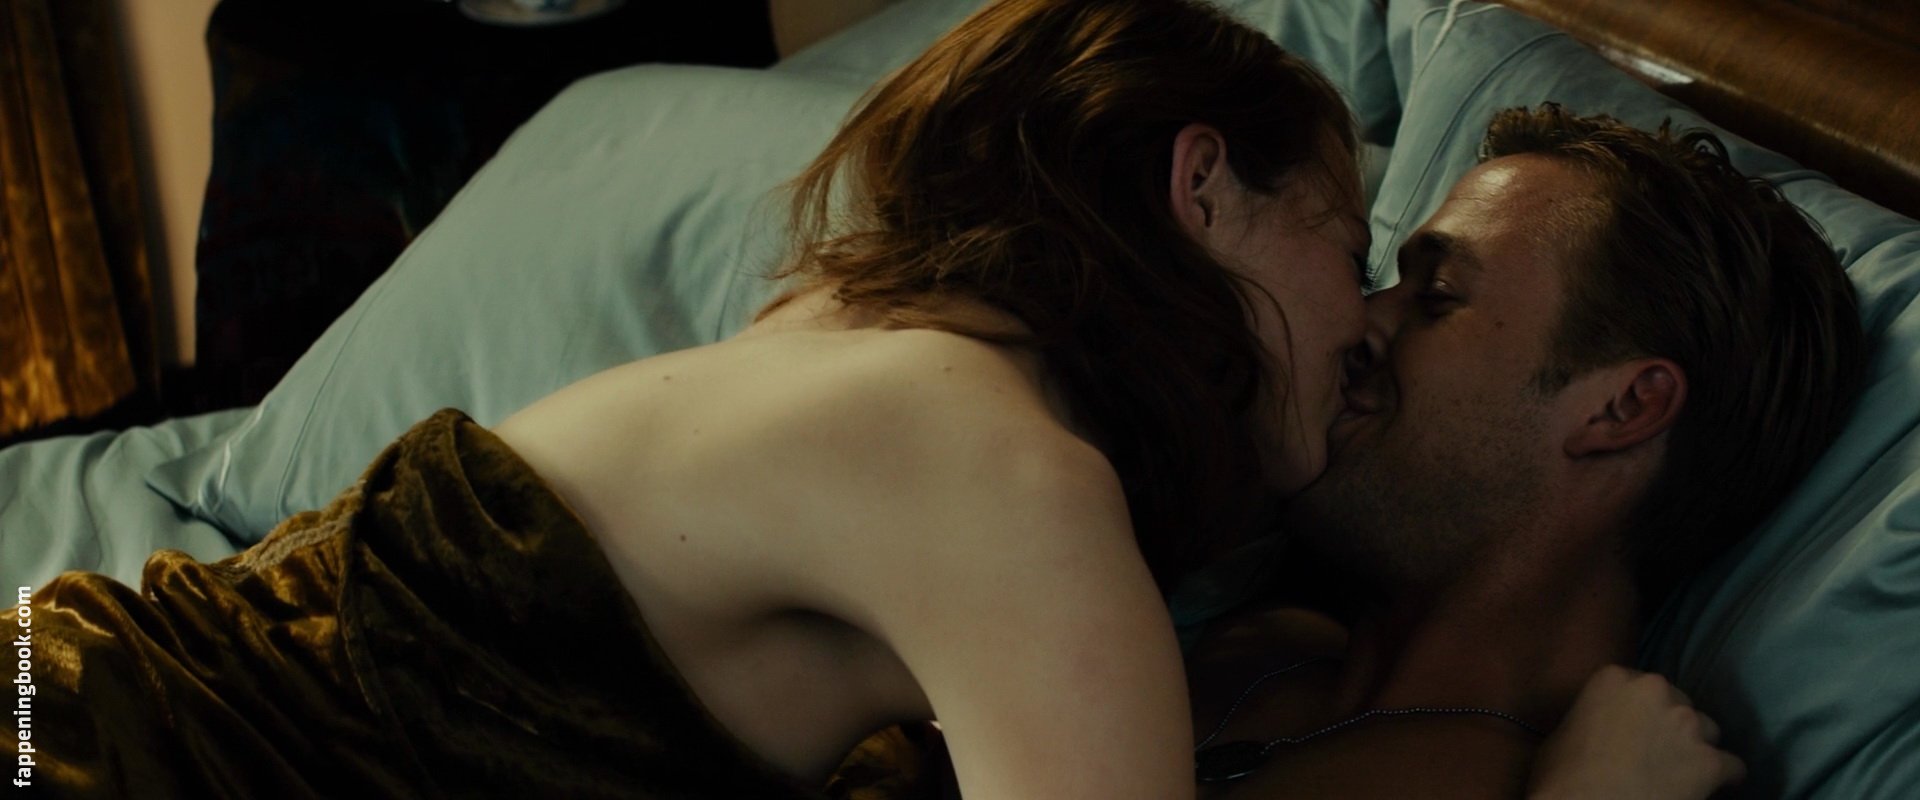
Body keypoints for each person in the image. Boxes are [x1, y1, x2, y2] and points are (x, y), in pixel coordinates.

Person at [4, 3, 1727, 798]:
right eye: (1350, 249)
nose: (1366, 322)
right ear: (1201, 187)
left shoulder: (886, 348)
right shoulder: (1004, 479)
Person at [1182, 104, 1867, 799]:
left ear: (1625, 408)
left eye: (1437, 297)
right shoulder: (1252, 641)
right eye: (1382, 284)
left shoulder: (1587, 781)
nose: (1362, 320)